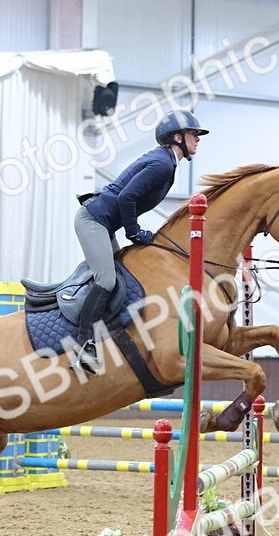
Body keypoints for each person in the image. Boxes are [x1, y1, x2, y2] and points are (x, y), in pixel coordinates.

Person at [71, 109, 209, 373]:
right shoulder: (163, 164)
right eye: (194, 134)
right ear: (177, 137)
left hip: (104, 223)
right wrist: (134, 233)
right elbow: (126, 198)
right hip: (93, 220)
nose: (198, 139)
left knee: (122, 277)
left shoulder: (167, 162)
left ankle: (109, 338)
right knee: (106, 280)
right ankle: (83, 346)